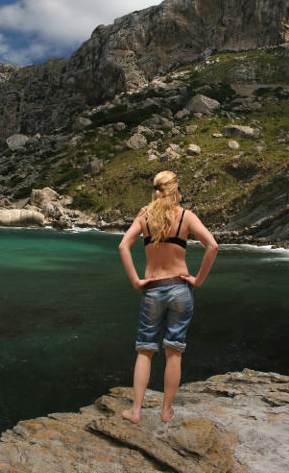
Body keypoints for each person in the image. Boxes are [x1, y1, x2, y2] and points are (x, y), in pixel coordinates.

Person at [117, 170, 218, 423]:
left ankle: (136, 411)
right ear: (176, 191)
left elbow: (123, 246)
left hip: (153, 288)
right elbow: (213, 246)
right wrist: (199, 280)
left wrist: (136, 281)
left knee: (145, 349)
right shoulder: (185, 216)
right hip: (180, 288)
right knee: (174, 350)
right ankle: (165, 411)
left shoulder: (145, 216)